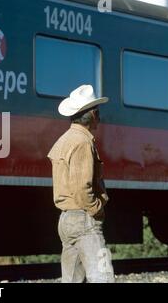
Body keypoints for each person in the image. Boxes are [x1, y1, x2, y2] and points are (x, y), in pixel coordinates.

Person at [47, 84, 114, 283]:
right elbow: (82, 187)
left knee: (72, 280)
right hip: (84, 219)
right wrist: (95, 209)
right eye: (98, 111)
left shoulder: (64, 139)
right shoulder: (83, 142)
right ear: (93, 114)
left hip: (66, 219)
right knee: (104, 277)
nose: (100, 116)